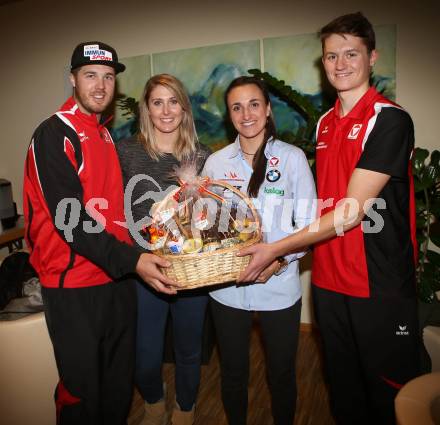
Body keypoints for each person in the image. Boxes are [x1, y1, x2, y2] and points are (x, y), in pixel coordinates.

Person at [238, 12, 422, 425]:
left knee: (390, 396)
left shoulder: (389, 120)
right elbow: (322, 205)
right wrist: (285, 255)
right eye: (331, 56)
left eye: (351, 54)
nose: (340, 64)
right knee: (343, 390)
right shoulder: (324, 124)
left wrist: (276, 249)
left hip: (378, 284)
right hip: (328, 280)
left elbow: (352, 211)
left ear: (372, 57)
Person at [23, 42, 179, 425]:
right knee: (82, 394)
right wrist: (134, 260)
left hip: (117, 282)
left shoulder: (106, 136)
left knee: (117, 388)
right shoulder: (53, 134)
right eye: (90, 75)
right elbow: (71, 219)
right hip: (74, 287)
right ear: (72, 78)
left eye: (108, 77)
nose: (100, 85)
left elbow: (114, 213)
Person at [202, 76, 316, 425]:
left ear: (267, 109)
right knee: (233, 373)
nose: (246, 113)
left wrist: (280, 259)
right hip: (227, 290)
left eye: (254, 104)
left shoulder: (292, 159)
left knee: (281, 374)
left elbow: (309, 225)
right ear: (229, 115)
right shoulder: (217, 163)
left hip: (279, 288)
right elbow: (206, 225)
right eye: (237, 107)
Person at [116, 73, 211, 425]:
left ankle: (185, 407)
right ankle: (154, 404)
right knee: (145, 352)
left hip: (191, 271)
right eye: (158, 102)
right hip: (144, 270)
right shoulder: (126, 151)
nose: (166, 110)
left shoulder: (202, 156)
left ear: (184, 108)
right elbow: (113, 210)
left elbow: (215, 217)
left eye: (173, 101)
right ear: (147, 109)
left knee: (189, 349)